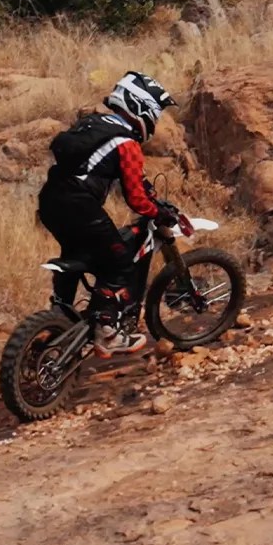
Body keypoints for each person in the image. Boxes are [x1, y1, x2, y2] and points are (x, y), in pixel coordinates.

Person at [38, 71, 183, 356]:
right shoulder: (126, 143)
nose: (155, 119)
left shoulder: (94, 124)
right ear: (142, 108)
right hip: (80, 206)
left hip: (50, 202)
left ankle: (60, 314)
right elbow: (136, 200)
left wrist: (147, 191)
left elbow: (118, 172)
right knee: (119, 262)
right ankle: (106, 331)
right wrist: (158, 212)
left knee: (77, 253)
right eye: (156, 112)